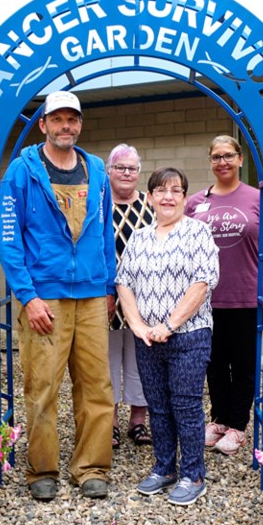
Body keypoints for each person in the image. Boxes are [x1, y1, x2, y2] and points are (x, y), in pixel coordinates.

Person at [0, 90, 115, 502]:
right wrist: (27, 297)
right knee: (42, 386)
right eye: (58, 119)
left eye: (73, 119)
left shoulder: (97, 170)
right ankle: (41, 469)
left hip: (92, 296)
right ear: (43, 124)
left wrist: (109, 287)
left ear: (80, 124)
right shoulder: (21, 172)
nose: (67, 126)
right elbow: (9, 241)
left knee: (97, 385)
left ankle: (92, 467)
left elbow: (105, 235)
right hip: (44, 299)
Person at [115, 167, 219, 506]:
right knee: (157, 407)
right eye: (161, 190)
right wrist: (139, 326)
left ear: (185, 198)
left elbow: (202, 283)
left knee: (186, 407)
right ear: (150, 198)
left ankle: (193, 474)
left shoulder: (198, 233)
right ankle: (164, 467)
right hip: (147, 340)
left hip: (188, 336)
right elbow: (124, 283)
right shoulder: (140, 237)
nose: (168, 197)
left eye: (176, 190)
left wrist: (169, 326)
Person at [185, 134, 263, 456]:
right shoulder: (195, 203)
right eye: (216, 157)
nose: (222, 162)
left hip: (244, 295)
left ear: (240, 159)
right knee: (212, 363)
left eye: (228, 156)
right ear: (210, 162)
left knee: (243, 364)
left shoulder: (260, 199)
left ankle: (238, 426)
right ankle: (219, 420)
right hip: (205, 298)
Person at [106, 143, 154, 449]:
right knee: (106, 362)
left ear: (139, 173)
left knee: (141, 362)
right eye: (120, 167)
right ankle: (107, 423)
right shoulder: (98, 205)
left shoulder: (151, 205)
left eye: (132, 168)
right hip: (107, 297)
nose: (126, 173)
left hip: (144, 299)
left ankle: (138, 422)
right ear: (109, 171)